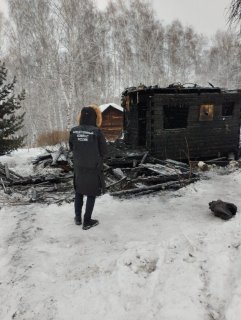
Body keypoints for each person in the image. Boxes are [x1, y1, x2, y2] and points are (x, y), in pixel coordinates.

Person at [69, 104, 107, 230]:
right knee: (91, 193)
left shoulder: (73, 131)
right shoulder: (97, 132)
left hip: (79, 167)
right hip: (93, 167)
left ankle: (78, 218)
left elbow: (71, 147)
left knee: (79, 191)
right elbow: (104, 151)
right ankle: (87, 221)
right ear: (95, 117)